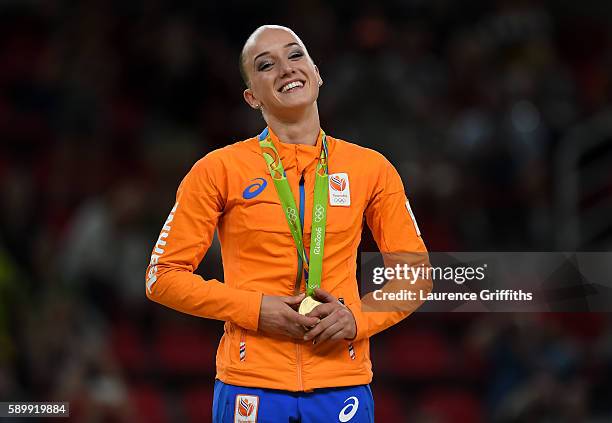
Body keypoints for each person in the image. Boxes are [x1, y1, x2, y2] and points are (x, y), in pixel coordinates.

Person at [145, 25, 431, 422]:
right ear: (251, 97)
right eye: (266, 65)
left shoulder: (371, 169)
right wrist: (256, 309)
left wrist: (357, 318)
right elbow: (162, 277)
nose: (285, 69)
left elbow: (415, 274)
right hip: (250, 382)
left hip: (341, 383)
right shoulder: (218, 170)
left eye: (295, 56)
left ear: (316, 73)